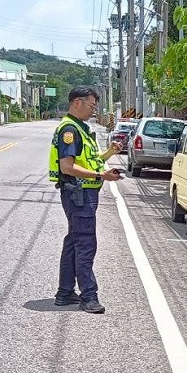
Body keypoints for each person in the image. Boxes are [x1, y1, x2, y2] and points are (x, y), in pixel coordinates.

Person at [49, 86, 123, 314]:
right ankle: (88, 296)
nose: (94, 110)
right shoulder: (69, 130)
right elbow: (68, 167)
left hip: (82, 193)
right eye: (91, 106)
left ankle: (65, 292)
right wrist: (102, 175)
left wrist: (109, 154)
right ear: (77, 103)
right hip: (78, 194)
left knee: (74, 241)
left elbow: (89, 161)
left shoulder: (81, 129)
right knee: (85, 244)